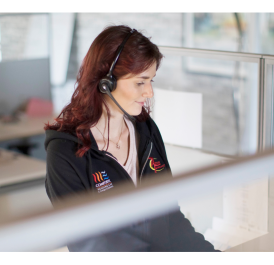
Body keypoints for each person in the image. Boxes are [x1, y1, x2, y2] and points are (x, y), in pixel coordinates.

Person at [43, 25, 217, 251]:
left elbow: (171, 218)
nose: (149, 93)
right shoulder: (66, 153)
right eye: (140, 82)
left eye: (151, 81)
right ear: (106, 82)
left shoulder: (146, 131)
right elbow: (90, 245)